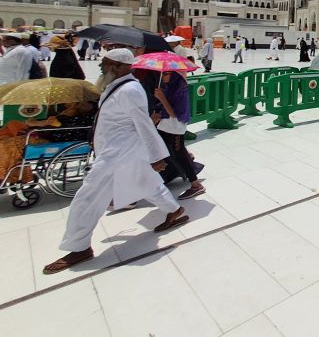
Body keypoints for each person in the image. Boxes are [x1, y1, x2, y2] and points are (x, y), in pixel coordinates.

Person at [42, 49, 189, 275]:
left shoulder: (130, 90)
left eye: (107, 63)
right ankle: (174, 209)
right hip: (118, 150)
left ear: (122, 66)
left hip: (117, 154)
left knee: (87, 198)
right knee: (146, 183)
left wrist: (156, 156)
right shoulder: (118, 86)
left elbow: (144, 124)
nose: (102, 67)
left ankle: (79, 247)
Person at [154, 71, 205, 199]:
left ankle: (196, 185)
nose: (163, 76)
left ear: (174, 75)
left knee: (179, 154)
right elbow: (166, 109)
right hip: (165, 125)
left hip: (175, 127)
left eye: (166, 74)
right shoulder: (170, 87)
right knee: (164, 149)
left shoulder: (180, 90)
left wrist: (161, 97)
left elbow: (174, 114)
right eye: (163, 74)